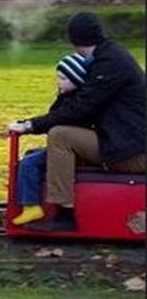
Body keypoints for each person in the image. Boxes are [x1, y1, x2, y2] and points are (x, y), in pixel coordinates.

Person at [8, 12, 147, 231]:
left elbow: (80, 108)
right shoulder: (112, 56)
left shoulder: (109, 64)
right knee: (48, 147)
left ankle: (64, 215)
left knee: (60, 136)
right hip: (125, 144)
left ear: (74, 39)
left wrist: (30, 125)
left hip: (131, 153)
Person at [10, 53, 90, 226]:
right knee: (31, 155)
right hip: (73, 148)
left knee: (29, 163)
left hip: (73, 151)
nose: (59, 82)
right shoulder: (70, 98)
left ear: (77, 80)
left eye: (63, 78)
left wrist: (28, 126)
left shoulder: (74, 103)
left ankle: (31, 207)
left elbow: (55, 120)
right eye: (58, 78)